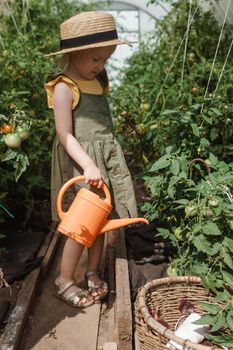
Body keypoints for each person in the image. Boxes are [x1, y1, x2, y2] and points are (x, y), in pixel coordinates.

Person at [45, 11, 138, 308]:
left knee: (101, 221)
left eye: (105, 60)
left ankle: (92, 271)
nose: (100, 66)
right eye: (95, 59)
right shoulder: (63, 87)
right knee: (81, 225)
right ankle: (63, 280)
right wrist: (87, 164)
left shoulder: (99, 82)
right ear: (74, 53)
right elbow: (65, 135)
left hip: (103, 159)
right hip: (81, 162)